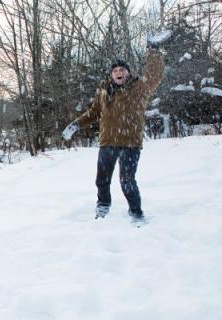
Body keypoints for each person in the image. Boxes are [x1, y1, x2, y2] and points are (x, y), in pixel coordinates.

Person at [62, 44, 165, 224]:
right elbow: (93, 113)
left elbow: (154, 77)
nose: (119, 73)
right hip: (107, 142)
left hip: (130, 143)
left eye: (122, 70)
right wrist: (75, 125)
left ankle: (136, 213)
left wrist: (154, 52)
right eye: (116, 70)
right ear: (112, 74)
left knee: (127, 182)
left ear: (128, 73)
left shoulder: (139, 88)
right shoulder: (104, 91)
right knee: (102, 179)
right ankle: (103, 205)